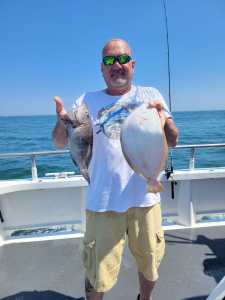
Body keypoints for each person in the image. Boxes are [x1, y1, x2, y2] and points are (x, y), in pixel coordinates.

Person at [52, 38, 178, 300]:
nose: (117, 65)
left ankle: (145, 299)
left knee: (150, 262)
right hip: (102, 201)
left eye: (122, 59)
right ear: (101, 68)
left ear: (133, 64)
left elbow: (173, 140)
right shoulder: (86, 100)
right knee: (97, 270)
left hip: (146, 197)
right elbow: (60, 142)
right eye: (110, 60)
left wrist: (165, 122)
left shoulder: (151, 95)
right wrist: (62, 121)